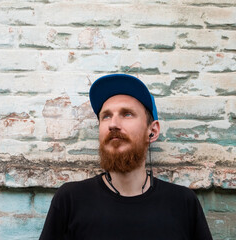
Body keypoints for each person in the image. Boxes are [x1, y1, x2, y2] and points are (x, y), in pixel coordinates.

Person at [39, 74, 213, 240]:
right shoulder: (70, 200)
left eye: (127, 114)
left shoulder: (182, 203)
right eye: (106, 116)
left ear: (152, 131)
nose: (113, 124)